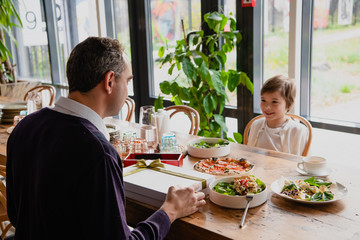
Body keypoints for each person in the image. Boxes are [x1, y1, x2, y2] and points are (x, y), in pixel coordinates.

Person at [6, 37, 206, 239]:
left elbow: (16, 215)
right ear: (109, 81)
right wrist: (170, 211)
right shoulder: (97, 152)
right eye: (127, 81)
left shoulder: (24, 127)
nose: (129, 91)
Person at [247, 75, 308, 155]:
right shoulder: (256, 125)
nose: (267, 107)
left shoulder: (298, 131)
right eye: (263, 100)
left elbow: (303, 164)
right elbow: (248, 157)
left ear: (289, 104)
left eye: (274, 102)